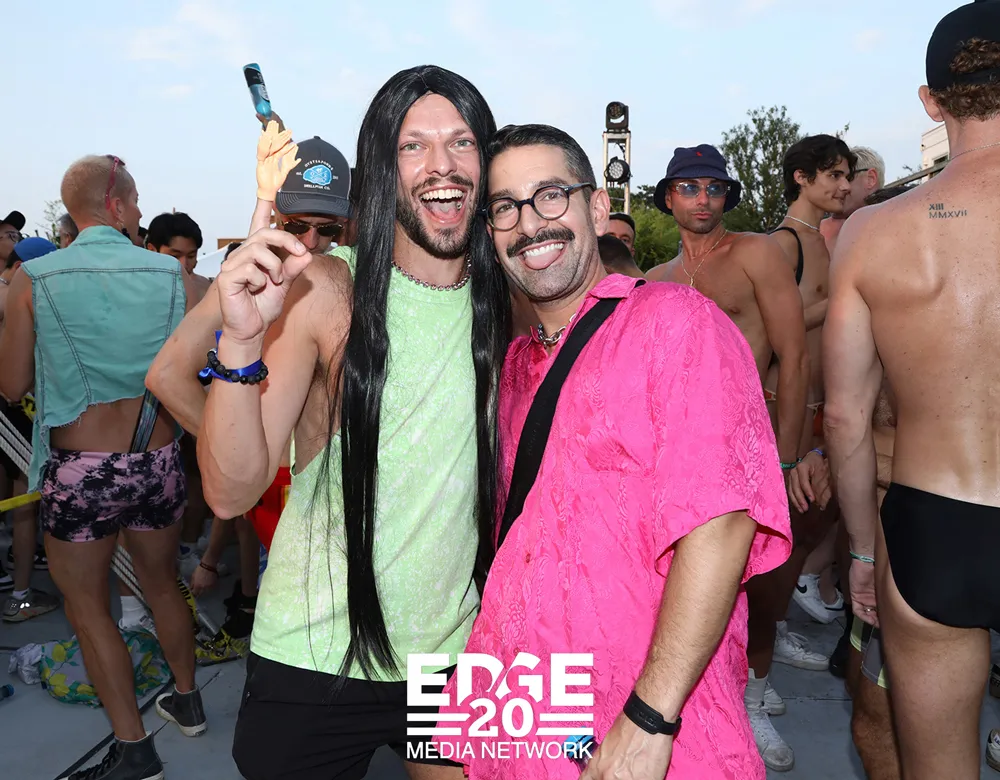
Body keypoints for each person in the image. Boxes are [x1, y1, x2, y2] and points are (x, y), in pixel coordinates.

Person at [434, 123, 791, 780]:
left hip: (644, 718)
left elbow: (720, 523)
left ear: (597, 209)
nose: (529, 223)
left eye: (550, 195)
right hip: (523, 695)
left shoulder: (676, 321)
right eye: (505, 207)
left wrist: (651, 717)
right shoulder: (511, 367)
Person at [199, 66, 509, 780]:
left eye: (462, 142)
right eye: (413, 145)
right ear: (379, 168)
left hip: (453, 656)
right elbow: (229, 492)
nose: (442, 165)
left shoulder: (506, 301)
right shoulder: (326, 287)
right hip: (314, 657)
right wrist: (240, 341)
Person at [825, 4, 1000, 777]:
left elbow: (845, 416)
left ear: (931, 103)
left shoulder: (873, 231)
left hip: (933, 524)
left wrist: (863, 551)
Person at [0, 154, 204, 780]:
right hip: (158, 458)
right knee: (162, 584)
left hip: (80, 469)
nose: (139, 212)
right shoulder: (173, 275)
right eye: (135, 201)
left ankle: (135, 750)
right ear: (115, 205)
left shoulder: (35, 277)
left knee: (89, 608)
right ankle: (188, 701)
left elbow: (11, 384)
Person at [645, 144, 809, 772]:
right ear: (669, 198)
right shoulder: (654, 280)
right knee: (686, 596)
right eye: (689, 187)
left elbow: (795, 358)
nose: (703, 198)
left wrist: (787, 461)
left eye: (714, 187)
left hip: (750, 453)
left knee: (760, 591)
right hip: (675, 463)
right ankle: (687, 713)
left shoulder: (757, 254)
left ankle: (755, 698)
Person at [0, 237, 59, 620]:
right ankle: (20, 596)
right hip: (15, 410)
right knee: (25, 499)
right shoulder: (11, 296)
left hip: (11, 411)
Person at [820, 146, 884, 255]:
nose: (841, 186)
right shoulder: (815, 231)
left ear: (871, 179)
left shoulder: (898, 223)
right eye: (834, 178)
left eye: (847, 178)